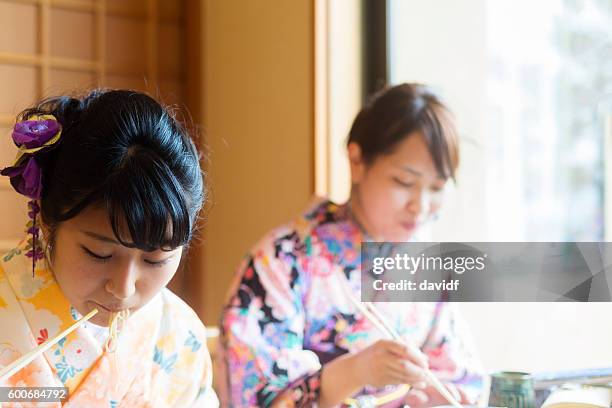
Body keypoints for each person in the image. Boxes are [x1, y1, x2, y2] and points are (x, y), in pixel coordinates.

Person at [218, 83, 483, 407]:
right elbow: (257, 396)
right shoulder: (281, 261)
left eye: (437, 187)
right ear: (357, 161)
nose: (420, 205)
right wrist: (358, 370)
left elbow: (460, 375)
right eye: (404, 182)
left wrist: (442, 398)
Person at [0, 90, 218, 407]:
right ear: (48, 223)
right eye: (99, 254)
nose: (123, 287)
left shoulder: (179, 337)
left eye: (156, 259)